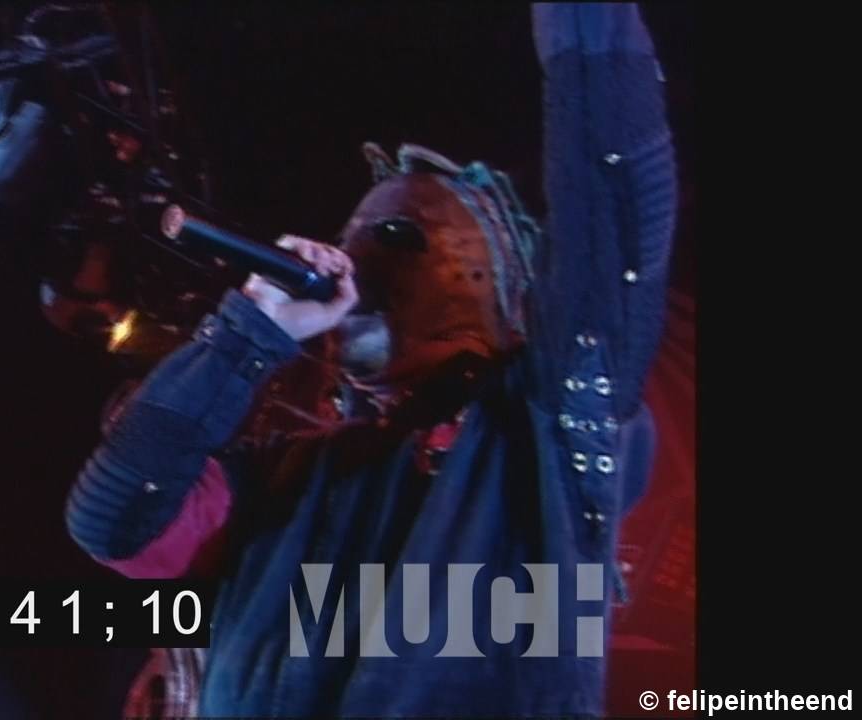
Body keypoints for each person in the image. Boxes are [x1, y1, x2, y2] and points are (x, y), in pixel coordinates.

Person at [65, 3, 676, 716]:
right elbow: (113, 520)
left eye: (396, 238)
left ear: (489, 279)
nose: (359, 263)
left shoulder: (541, 447)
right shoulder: (290, 477)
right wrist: (248, 331)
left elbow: (612, 205)